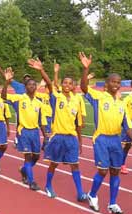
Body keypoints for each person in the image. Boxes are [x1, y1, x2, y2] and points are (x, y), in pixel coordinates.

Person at [79, 52, 132, 214]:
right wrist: (85, 69)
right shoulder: (99, 97)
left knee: (115, 171)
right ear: (107, 83)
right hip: (101, 139)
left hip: (116, 140)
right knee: (102, 171)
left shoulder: (122, 103)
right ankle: (92, 195)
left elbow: (127, 125)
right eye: (113, 81)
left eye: (118, 82)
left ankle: (112, 203)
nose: (116, 84)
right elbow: (84, 87)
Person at [28, 58, 87, 201]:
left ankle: (80, 193)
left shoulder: (77, 100)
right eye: (65, 82)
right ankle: (48, 185)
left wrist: (80, 142)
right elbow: (49, 83)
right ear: (61, 84)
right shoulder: (57, 97)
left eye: (70, 83)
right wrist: (41, 69)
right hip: (58, 137)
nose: (67, 85)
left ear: (73, 86)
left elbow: (78, 124)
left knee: (75, 165)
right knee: (54, 164)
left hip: (71, 137)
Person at [2, 67, 48, 191]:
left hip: (35, 132)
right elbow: (4, 96)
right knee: (28, 157)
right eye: (29, 85)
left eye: (34, 84)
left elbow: (41, 121)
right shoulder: (20, 97)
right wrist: (7, 81)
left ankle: (23, 170)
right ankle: (31, 181)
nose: (32, 86)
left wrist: (45, 136)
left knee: (36, 157)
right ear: (25, 87)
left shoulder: (39, 102)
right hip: (24, 132)